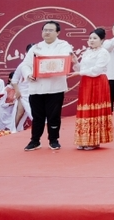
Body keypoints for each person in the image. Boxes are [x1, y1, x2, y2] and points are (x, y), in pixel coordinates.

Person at [19, 21, 76, 151]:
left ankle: (53, 139)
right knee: (37, 116)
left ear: (58, 32)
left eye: (51, 30)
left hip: (55, 87)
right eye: (45, 30)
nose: (47, 32)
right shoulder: (36, 47)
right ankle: (35, 140)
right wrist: (28, 74)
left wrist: (41, 57)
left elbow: (62, 59)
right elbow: (25, 64)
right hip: (36, 86)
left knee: (53, 115)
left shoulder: (63, 45)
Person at [71, 28, 113, 150]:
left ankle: (94, 140)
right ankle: (84, 139)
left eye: (95, 38)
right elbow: (81, 68)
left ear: (102, 40)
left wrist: (79, 73)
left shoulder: (103, 52)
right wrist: (74, 62)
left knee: (95, 110)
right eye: (90, 38)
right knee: (85, 109)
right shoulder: (87, 52)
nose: (91, 40)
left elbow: (97, 70)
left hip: (98, 82)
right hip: (86, 82)